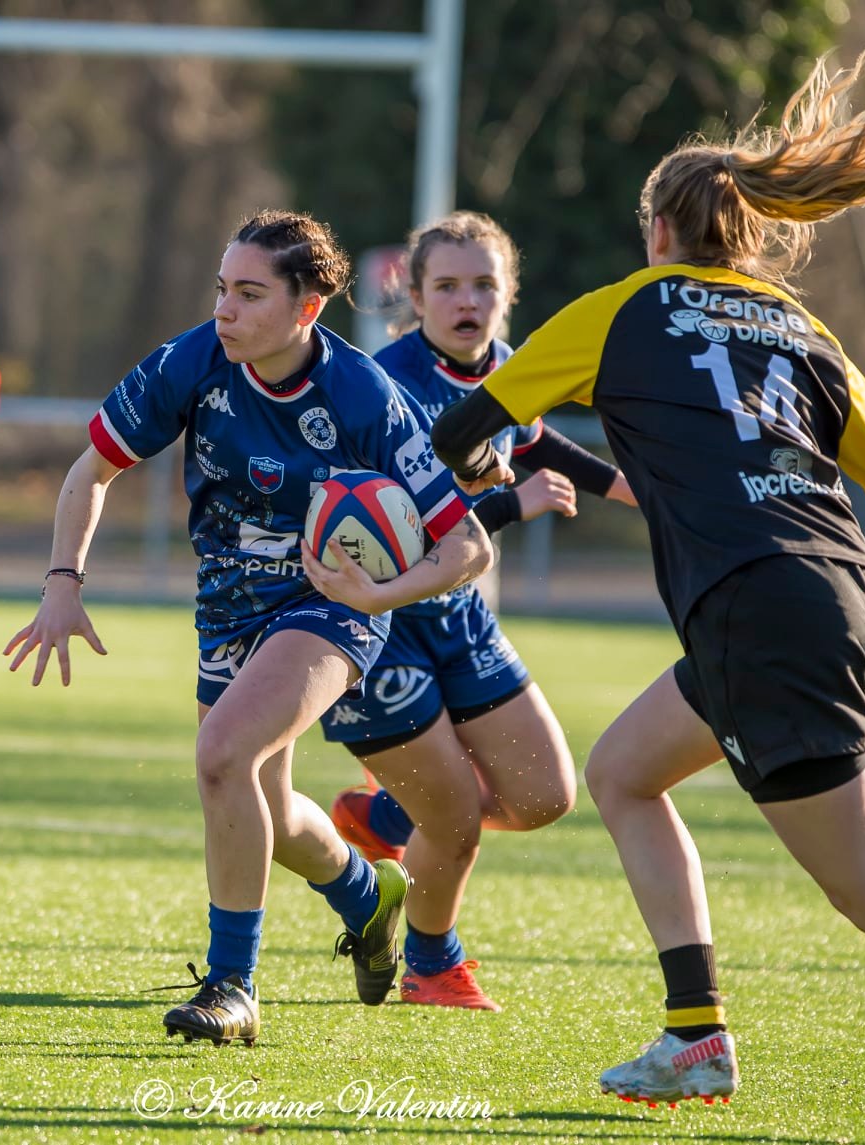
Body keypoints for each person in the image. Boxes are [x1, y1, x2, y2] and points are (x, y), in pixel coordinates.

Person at [429, 50, 865, 1143]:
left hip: (759, 607)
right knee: (623, 770)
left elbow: (463, 426)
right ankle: (695, 1031)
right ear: (747, 226)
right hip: (832, 589)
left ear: (659, 229)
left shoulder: (623, 309)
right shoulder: (801, 330)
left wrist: (481, 475)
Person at [4, 210, 495, 1047]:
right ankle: (367, 896)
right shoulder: (195, 360)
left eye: (250, 293)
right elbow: (92, 470)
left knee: (221, 756)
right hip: (229, 607)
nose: (225, 310)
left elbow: (466, 546)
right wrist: (62, 583)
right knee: (263, 803)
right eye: (222, 290)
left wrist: (378, 597)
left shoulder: (364, 395)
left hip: (333, 607)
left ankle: (233, 986)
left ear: (307, 308)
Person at [309, 211, 635, 1011]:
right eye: (447, 285)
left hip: (461, 619)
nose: (468, 300)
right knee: (452, 821)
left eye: (484, 284)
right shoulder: (386, 386)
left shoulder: (508, 369)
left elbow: (533, 437)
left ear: (507, 296)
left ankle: (384, 814)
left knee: (545, 795)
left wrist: (627, 488)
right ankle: (431, 962)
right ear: (414, 296)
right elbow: (395, 528)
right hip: (382, 627)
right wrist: (510, 508)